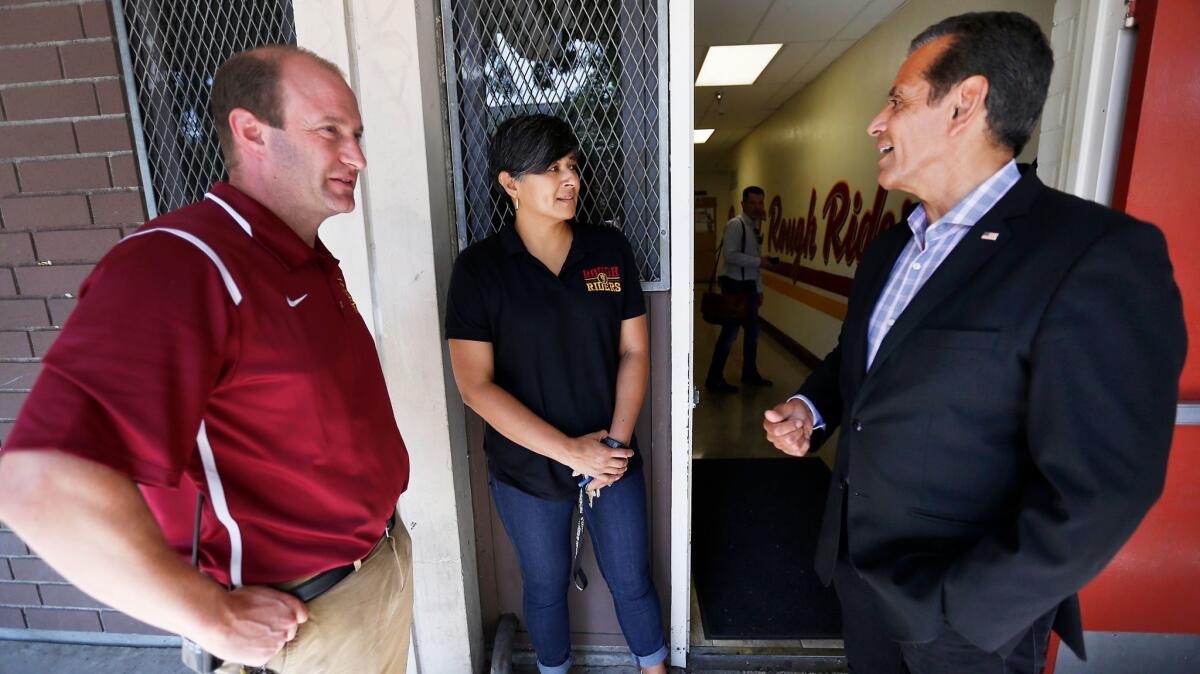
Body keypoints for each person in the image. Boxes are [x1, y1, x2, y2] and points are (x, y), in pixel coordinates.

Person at [762, 12, 1186, 674]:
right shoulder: (890, 249)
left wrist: (967, 612)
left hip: (968, 625)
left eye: (897, 101)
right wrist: (812, 409)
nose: (877, 123)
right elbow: (862, 361)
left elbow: (1104, 488)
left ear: (966, 103)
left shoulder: (1090, 255)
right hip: (859, 582)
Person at [0, 46, 413, 673]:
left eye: (355, 135)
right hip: (300, 626)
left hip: (372, 575)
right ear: (251, 131)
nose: (356, 156)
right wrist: (206, 614)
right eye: (330, 132)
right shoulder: (179, 262)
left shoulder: (297, 257)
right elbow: (40, 484)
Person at [445, 114, 668, 674]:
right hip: (525, 468)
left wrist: (612, 447)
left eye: (571, 166)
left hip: (613, 459)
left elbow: (635, 353)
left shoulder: (607, 249)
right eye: (550, 169)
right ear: (510, 183)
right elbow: (474, 386)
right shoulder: (479, 270)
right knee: (544, 587)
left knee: (631, 579)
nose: (569, 179)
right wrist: (572, 452)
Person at [704, 185, 776, 393]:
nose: (756, 207)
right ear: (743, 204)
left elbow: (754, 265)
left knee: (752, 333)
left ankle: (749, 373)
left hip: (749, 286)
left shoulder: (753, 226)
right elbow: (731, 255)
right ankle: (714, 378)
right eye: (752, 203)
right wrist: (759, 261)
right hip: (735, 286)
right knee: (730, 334)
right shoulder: (736, 225)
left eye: (760, 203)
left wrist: (759, 288)